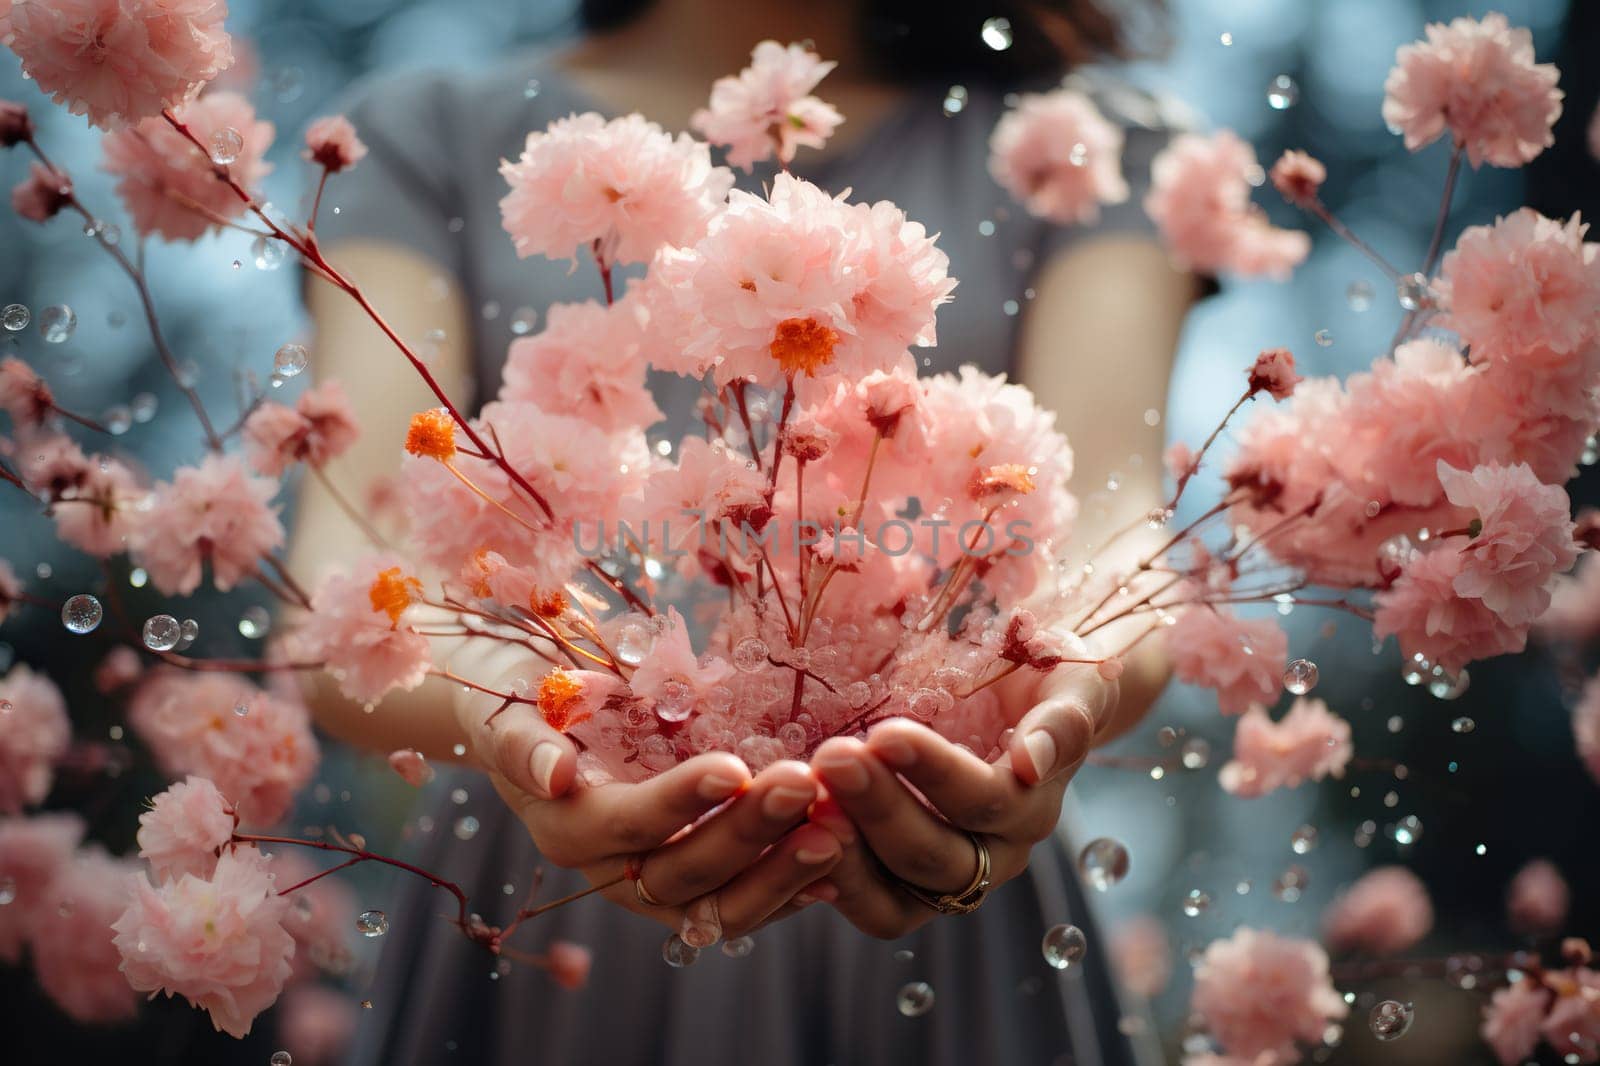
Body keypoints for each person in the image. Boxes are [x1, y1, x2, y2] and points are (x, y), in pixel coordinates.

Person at [295, 1, 1202, 1062]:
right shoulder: (423, 134)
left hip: (940, 821)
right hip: (551, 859)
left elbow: (1103, 511)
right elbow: (353, 578)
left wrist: (1062, 669)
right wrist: (505, 703)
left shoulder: (1098, 141)